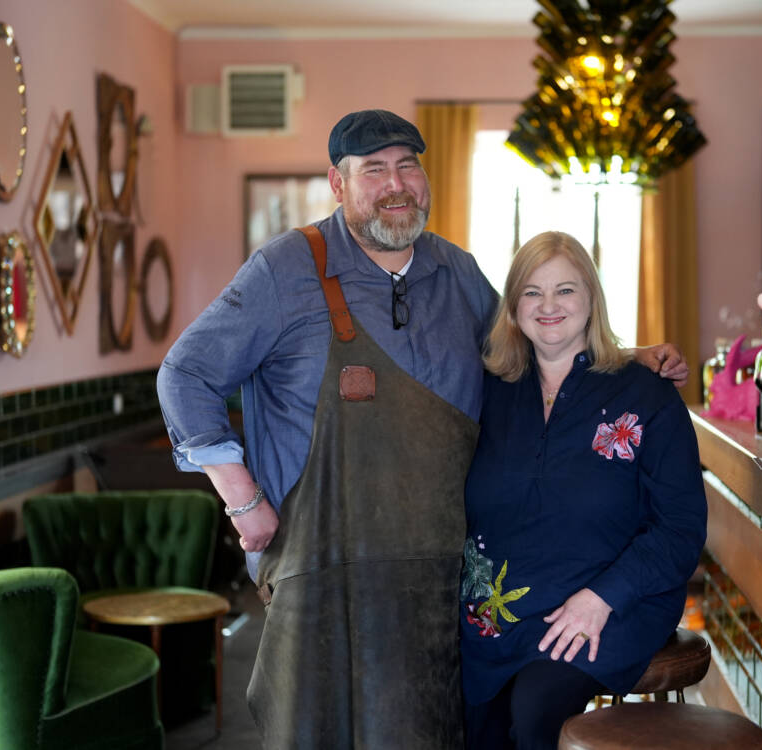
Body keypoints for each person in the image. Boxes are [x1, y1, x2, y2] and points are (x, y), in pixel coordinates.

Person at [157, 110, 688, 749]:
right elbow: (184, 374)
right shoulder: (286, 269)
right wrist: (242, 502)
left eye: (408, 165)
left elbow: (536, 336)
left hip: (436, 580)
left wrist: (631, 358)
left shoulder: (454, 272)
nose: (396, 183)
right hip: (320, 573)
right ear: (337, 181)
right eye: (374, 169)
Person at [459, 231, 708, 750]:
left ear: (592, 299)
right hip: (501, 607)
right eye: (531, 292)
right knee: (473, 723)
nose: (548, 306)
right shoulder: (485, 391)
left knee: (534, 713)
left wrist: (602, 598)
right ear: (513, 306)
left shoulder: (648, 396)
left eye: (566, 290)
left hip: (615, 602)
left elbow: (681, 529)